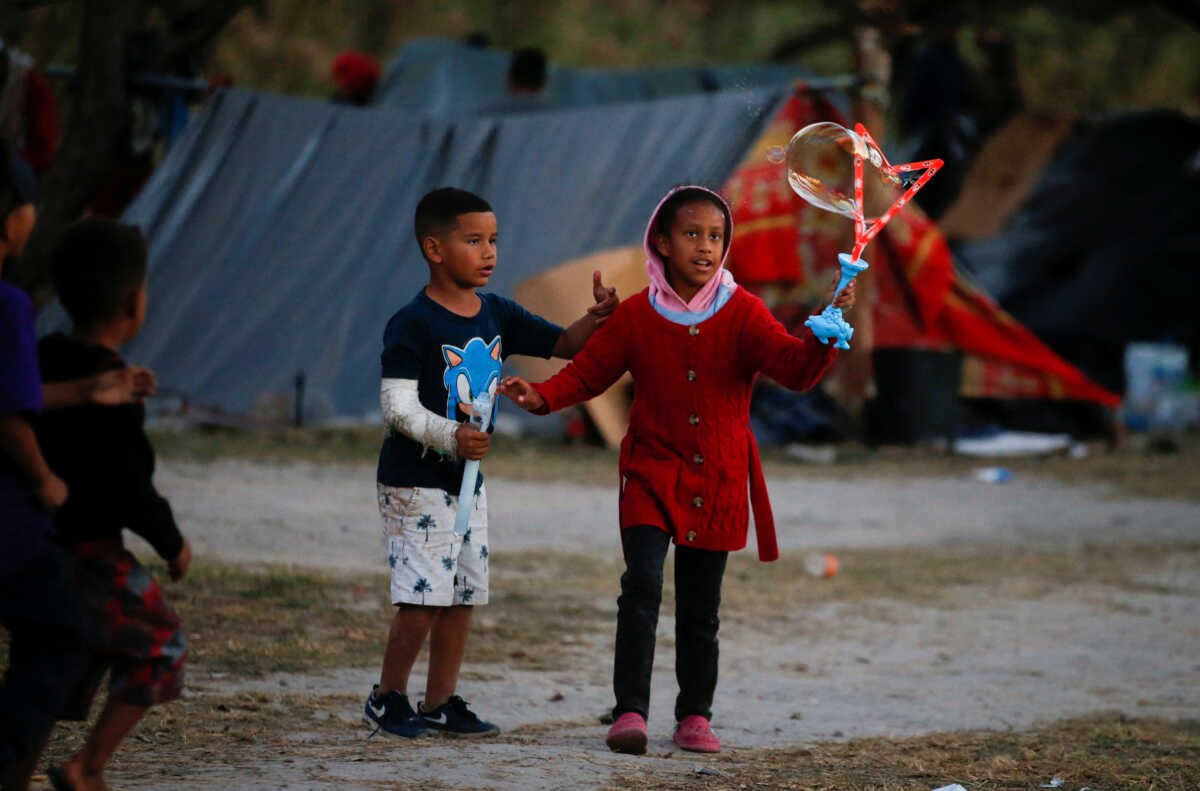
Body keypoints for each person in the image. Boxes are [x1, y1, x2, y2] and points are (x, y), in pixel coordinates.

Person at [499, 185, 856, 755]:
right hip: (649, 471)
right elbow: (588, 374)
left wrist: (825, 329)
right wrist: (540, 398)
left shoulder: (744, 313)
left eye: (716, 236)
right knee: (639, 587)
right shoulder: (637, 316)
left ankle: (694, 715)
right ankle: (630, 713)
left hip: (717, 478)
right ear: (661, 243)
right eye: (692, 234)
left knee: (700, 605)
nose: (706, 247)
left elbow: (795, 369)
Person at [366, 186, 617, 739]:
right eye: (473, 240)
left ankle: (439, 702)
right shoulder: (413, 322)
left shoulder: (497, 311)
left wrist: (595, 317)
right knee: (421, 597)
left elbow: (567, 345)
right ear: (434, 249)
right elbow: (396, 406)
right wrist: (449, 435)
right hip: (415, 483)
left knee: (462, 595)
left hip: (468, 483)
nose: (489, 252)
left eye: (494, 240)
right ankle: (387, 698)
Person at [34, 218, 190, 791]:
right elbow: (132, 486)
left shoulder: (39, 360)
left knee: (58, 660)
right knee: (163, 644)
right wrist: (173, 545)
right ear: (134, 302)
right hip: (91, 554)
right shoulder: (114, 388)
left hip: (36, 542)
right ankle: (88, 766)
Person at [0, 139, 90, 791]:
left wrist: (87, 390)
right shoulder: (8, 305)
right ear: (12, 218)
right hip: (7, 516)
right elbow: (8, 414)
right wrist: (44, 479)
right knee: (61, 631)